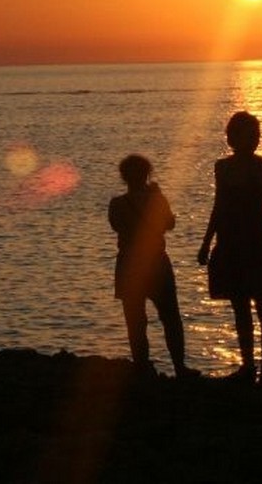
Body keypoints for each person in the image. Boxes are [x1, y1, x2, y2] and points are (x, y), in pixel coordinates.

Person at [198, 111, 262, 387]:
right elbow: (219, 207)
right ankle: (248, 366)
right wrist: (206, 243)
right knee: (240, 307)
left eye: (255, 134)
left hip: (258, 243)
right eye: (246, 134)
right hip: (231, 243)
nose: (253, 139)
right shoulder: (223, 168)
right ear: (231, 138)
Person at [108, 154, 198, 379]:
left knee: (135, 319)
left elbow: (117, 226)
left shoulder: (117, 204)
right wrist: (154, 197)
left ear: (123, 177)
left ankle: (141, 365)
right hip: (157, 262)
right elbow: (169, 224)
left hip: (128, 263)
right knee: (170, 317)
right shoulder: (157, 200)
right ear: (147, 174)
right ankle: (179, 367)